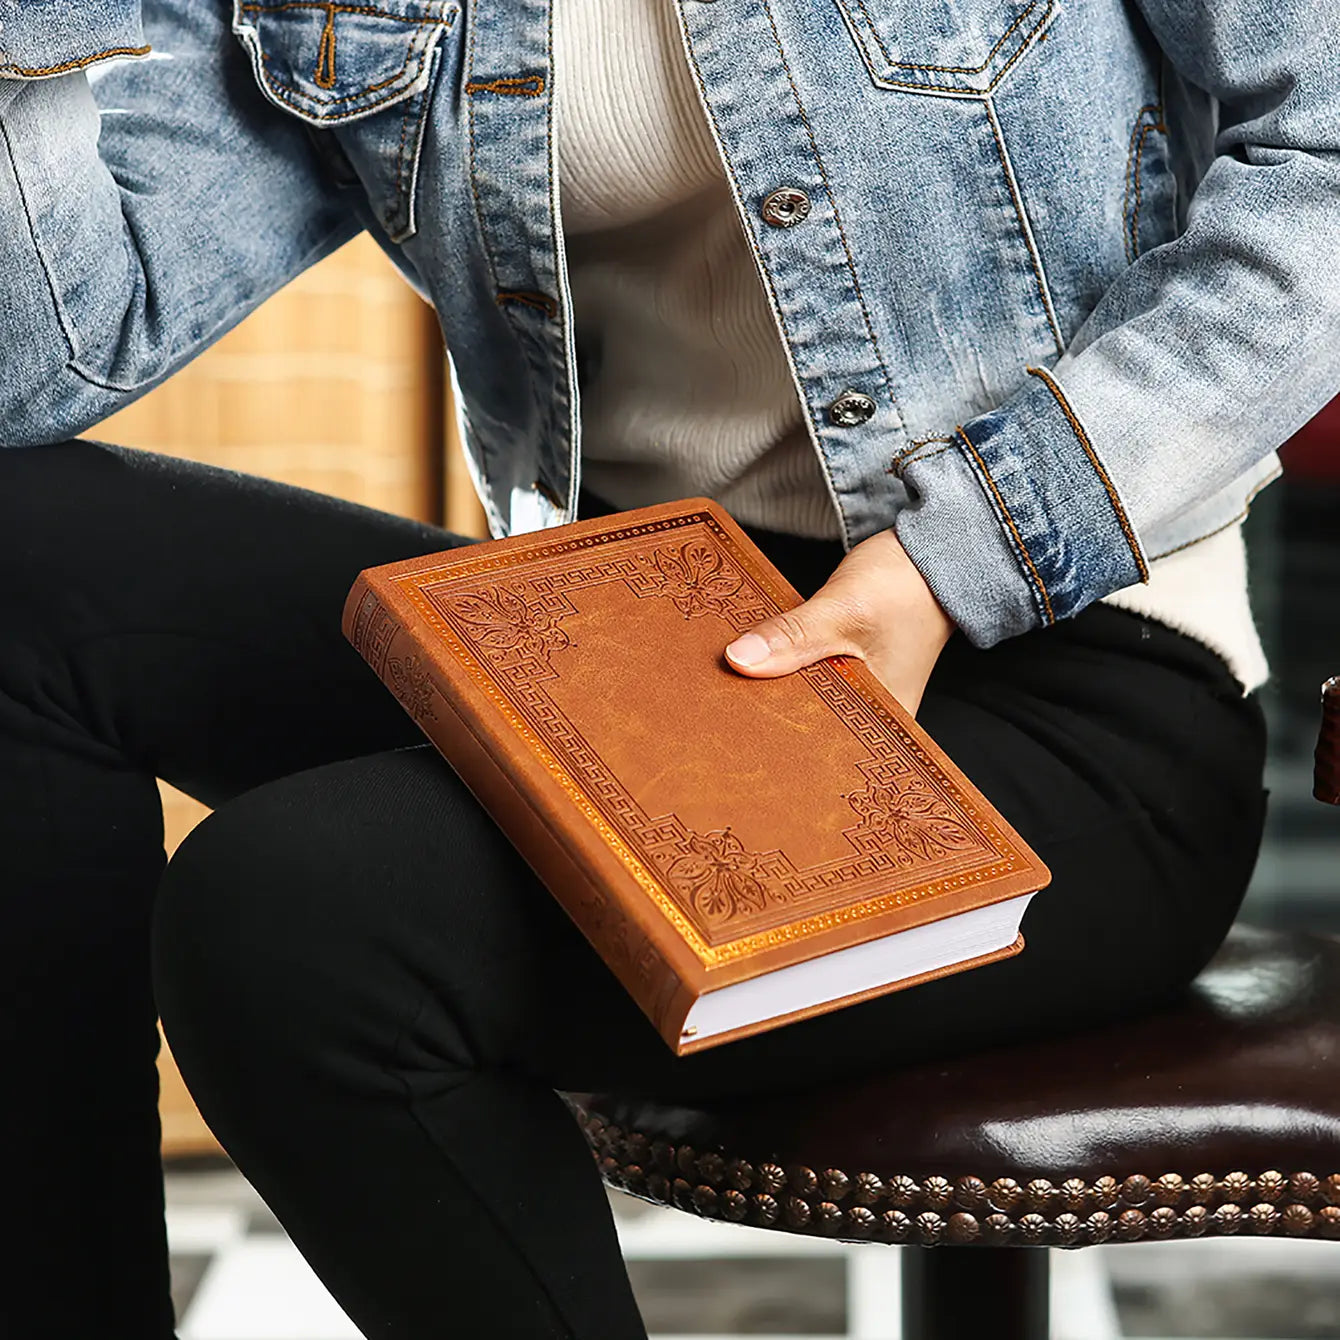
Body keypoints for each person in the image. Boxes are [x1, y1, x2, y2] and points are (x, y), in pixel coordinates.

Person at [1, 0, 1335, 1334]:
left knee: (290, 917)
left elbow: (1324, 160)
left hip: (1059, 672)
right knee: (24, 563)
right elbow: (36, 362)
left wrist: (961, 555)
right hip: (648, 661)